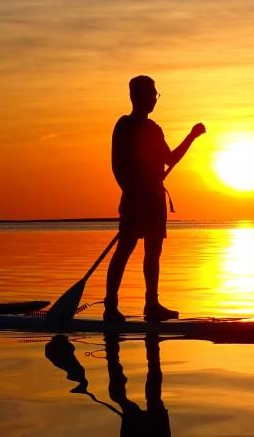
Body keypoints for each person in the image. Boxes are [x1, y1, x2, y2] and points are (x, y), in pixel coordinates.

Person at [104, 75, 205, 323]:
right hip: (135, 200)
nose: (154, 99)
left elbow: (170, 159)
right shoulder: (125, 126)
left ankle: (152, 304)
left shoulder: (154, 129)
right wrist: (133, 193)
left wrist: (191, 137)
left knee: (154, 252)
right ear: (135, 96)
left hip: (155, 199)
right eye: (151, 94)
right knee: (125, 249)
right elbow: (117, 165)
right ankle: (110, 306)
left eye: (155, 94)